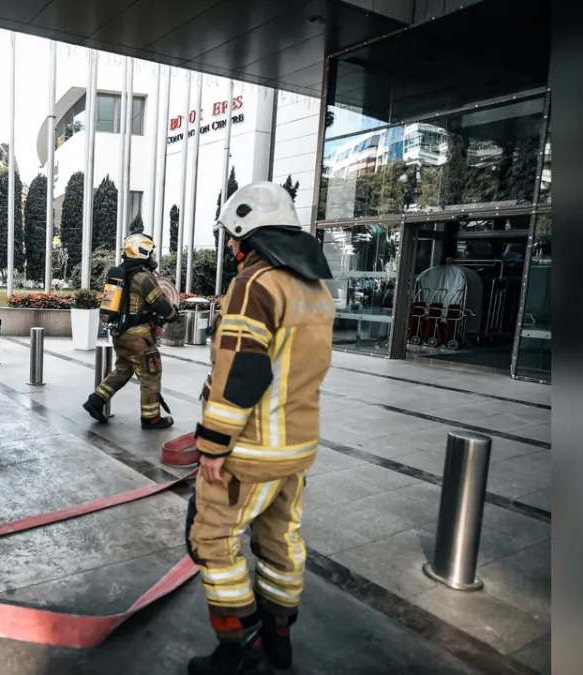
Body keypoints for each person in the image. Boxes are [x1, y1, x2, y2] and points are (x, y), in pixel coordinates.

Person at [185, 182, 335, 675]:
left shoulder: (255, 284)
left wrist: (212, 445)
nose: (230, 247)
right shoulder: (314, 287)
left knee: (211, 539)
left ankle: (239, 648)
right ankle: (279, 638)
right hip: (298, 447)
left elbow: (241, 373)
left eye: (232, 237)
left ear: (249, 235)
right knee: (281, 539)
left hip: (249, 452)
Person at [82, 232, 179, 429]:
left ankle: (96, 401)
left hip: (120, 335)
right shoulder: (144, 278)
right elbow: (162, 305)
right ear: (141, 252)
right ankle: (151, 418)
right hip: (138, 337)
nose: (152, 258)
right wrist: (173, 314)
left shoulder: (121, 274)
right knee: (151, 372)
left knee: (124, 369)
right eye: (150, 253)